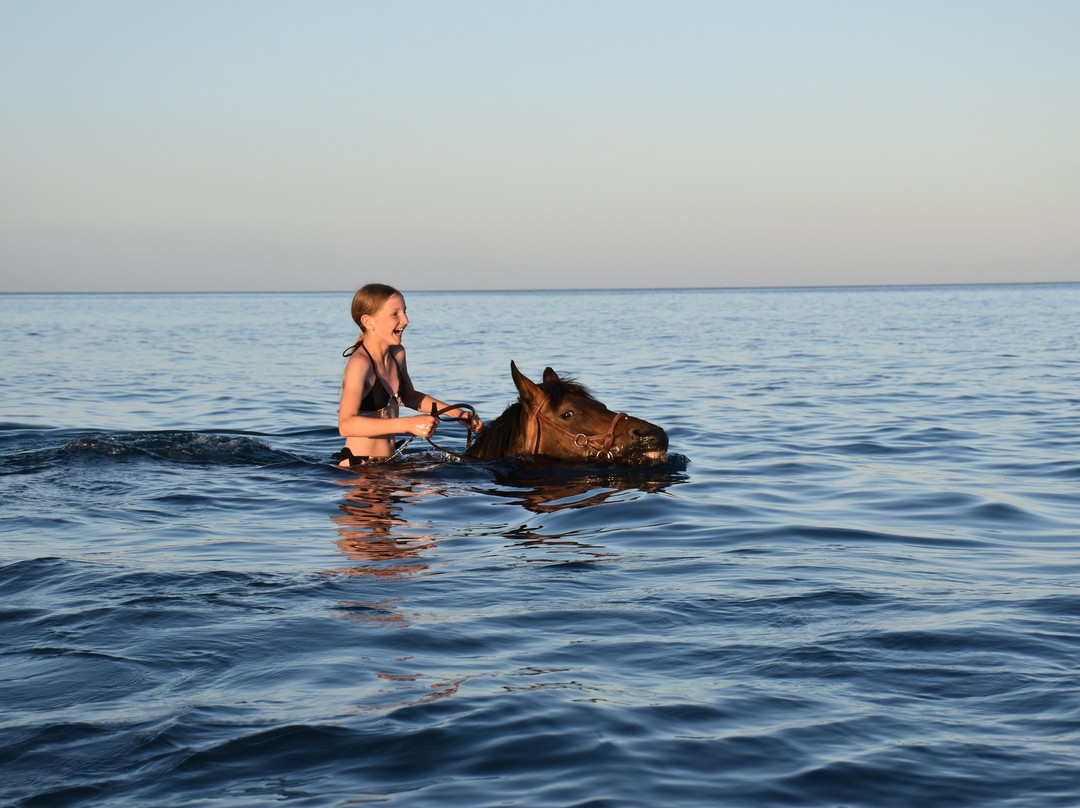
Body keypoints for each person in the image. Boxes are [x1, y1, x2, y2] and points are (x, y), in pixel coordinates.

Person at [335, 283, 482, 467]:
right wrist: (408, 425)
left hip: (388, 465)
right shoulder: (360, 364)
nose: (405, 320)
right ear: (368, 322)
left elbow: (410, 397)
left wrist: (458, 414)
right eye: (395, 314)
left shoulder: (397, 354)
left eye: (404, 312)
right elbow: (346, 425)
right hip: (360, 471)